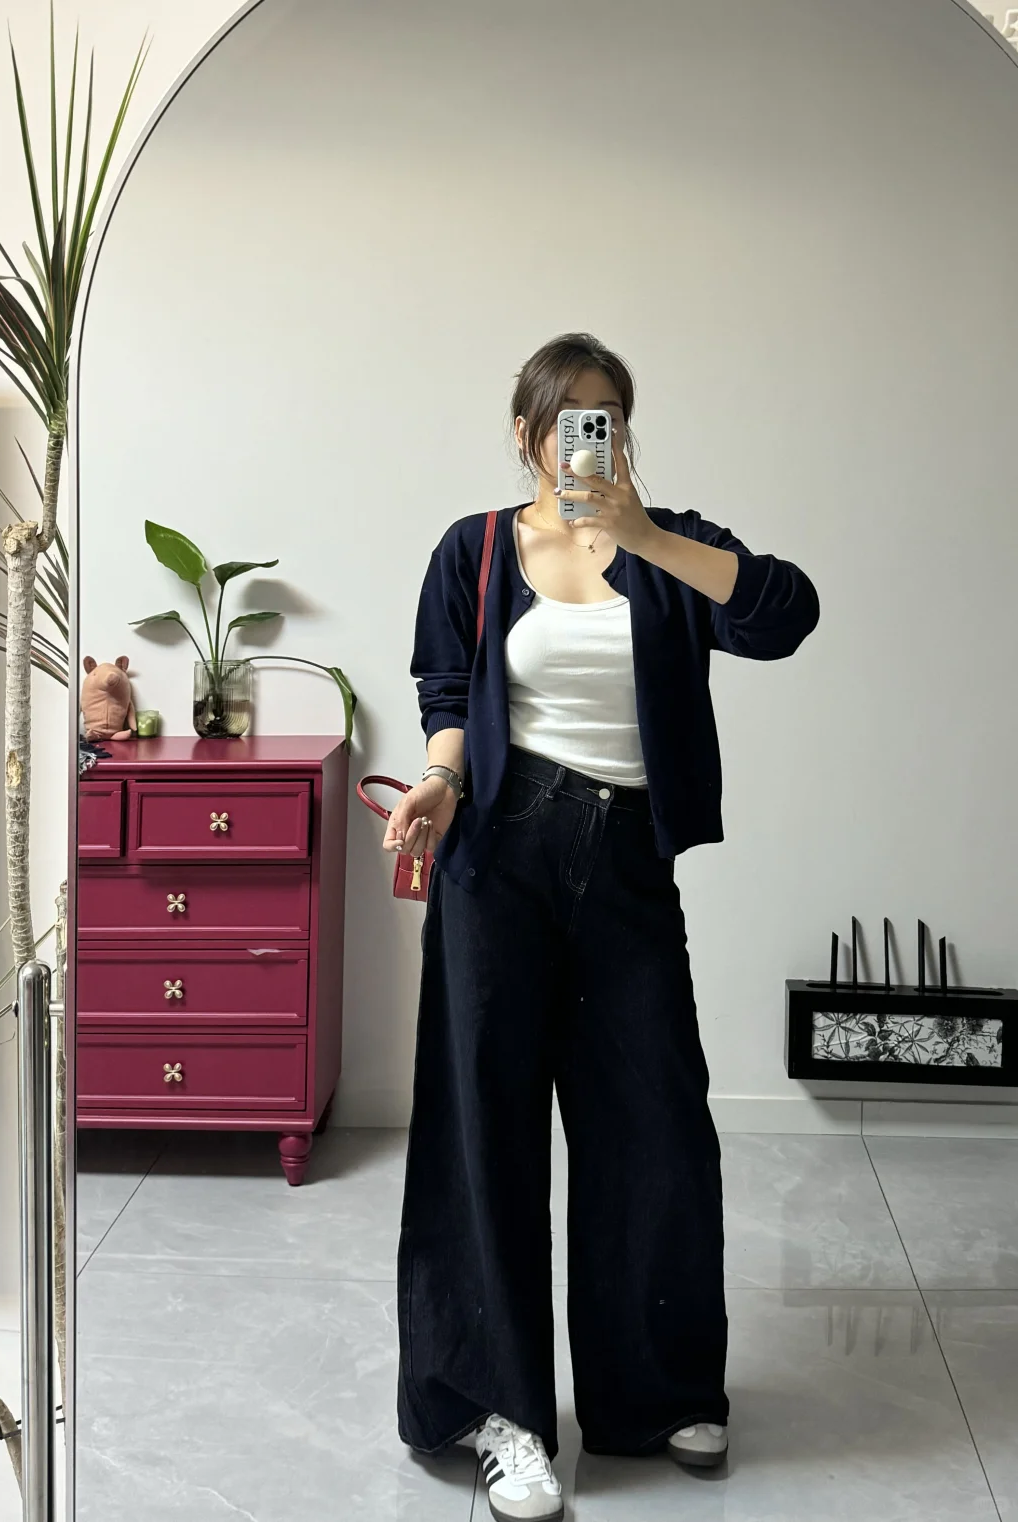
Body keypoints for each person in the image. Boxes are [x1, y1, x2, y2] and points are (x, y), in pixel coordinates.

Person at [382, 332, 820, 1522]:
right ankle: (502, 1413)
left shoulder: (670, 544)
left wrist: (642, 536)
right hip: (499, 856)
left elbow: (786, 614)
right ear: (526, 431)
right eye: (570, 414)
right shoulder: (474, 549)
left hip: (626, 861)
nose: (592, 433)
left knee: (655, 1124)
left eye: (610, 414)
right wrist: (439, 780)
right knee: (486, 1134)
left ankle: (657, 1391)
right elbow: (446, 692)